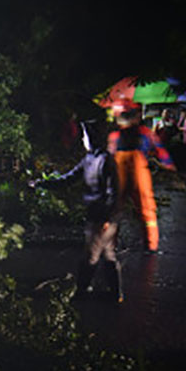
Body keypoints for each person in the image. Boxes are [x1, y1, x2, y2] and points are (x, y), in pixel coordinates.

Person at [31, 121, 123, 302]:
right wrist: (41, 183)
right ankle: (115, 294)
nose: (82, 139)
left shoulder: (105, 161)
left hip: (102, 218)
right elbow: (68, 179)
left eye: (85, 135)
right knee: (107, 254)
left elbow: (114, 191)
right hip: (99, 216)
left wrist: (107, 218)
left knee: (91, 255)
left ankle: (82, 293)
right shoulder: (89, 159)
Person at [107, 99, 176, 253]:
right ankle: (151, 245)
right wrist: (169, 166)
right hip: (139, 172)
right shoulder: (145, 133)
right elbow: (160, 149)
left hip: (120, 172)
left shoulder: (115, 136)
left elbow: (108, 155)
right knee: (146, 208)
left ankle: (109, 243)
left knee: (114, 208)